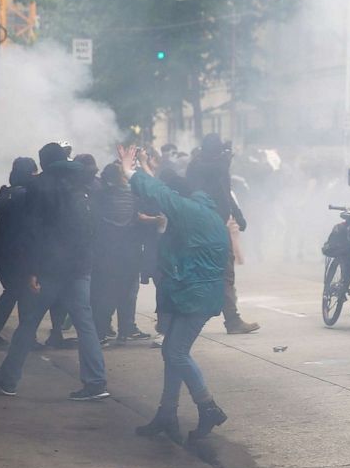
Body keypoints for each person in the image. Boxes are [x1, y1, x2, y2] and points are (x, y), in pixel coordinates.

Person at [119, 145, 229, 444]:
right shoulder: (202, 211)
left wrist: (131, 171)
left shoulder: (190, 212)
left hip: (195, 295)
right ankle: (167, 414)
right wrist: (145, 166)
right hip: (190, 292)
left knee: (174, 352)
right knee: (173, 354)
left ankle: (208, 407)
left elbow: (161, 195)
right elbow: (165, 195)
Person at [0, 143, 109, 400]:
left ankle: (9, 380)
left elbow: (34, 231)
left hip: (49, 267)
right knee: (85, 324)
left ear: (44, 161)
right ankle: (96, 382)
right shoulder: (86, 182)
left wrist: (32, 269)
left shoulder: (39, 186)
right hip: (80, 266)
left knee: (28, 324)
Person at [186, 134, 259, 335]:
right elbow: (213, 173)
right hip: (203, 226)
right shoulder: (198, 166)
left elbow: (225, 191)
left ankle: (232, 320)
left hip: (218, 225)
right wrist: (225, 159)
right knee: (204, 274)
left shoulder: (217, 166)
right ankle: (185, 319)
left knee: (225, 273)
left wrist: (237, 214)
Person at [91, 163, 150, 344]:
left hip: (106, 251)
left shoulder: (101, 196)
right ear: (123, 177)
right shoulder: (135, 194)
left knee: (105, 292)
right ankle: (126, 328)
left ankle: (101, 332)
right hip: (130, 250)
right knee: (128, 291)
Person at [0, 158, 39, 348]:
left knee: (14, 292)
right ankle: (27, 339)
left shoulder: (3, 194)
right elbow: (30, 229)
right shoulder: (27, 196)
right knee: (24, 294)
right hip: (19, 254)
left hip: (2, 255)